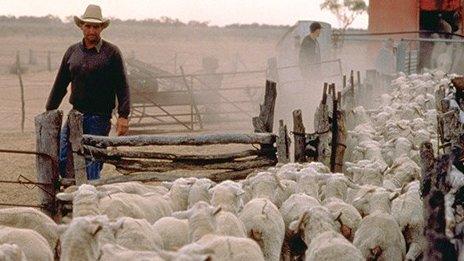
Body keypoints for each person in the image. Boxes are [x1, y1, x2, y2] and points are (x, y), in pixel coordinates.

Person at [45, 4, 130, 180]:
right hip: (75, 114)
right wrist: (49, 109)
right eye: (88, 26)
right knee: (64, 157)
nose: (92, 30)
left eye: (96, 26)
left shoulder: (111, 53)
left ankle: (91, 202)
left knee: (92, 162)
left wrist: (123, 115)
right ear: (82, 27)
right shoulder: (72, 52)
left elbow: (122, 85)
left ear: (101, 28)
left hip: (99, 117)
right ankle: (70, 200)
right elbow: (61, 83)